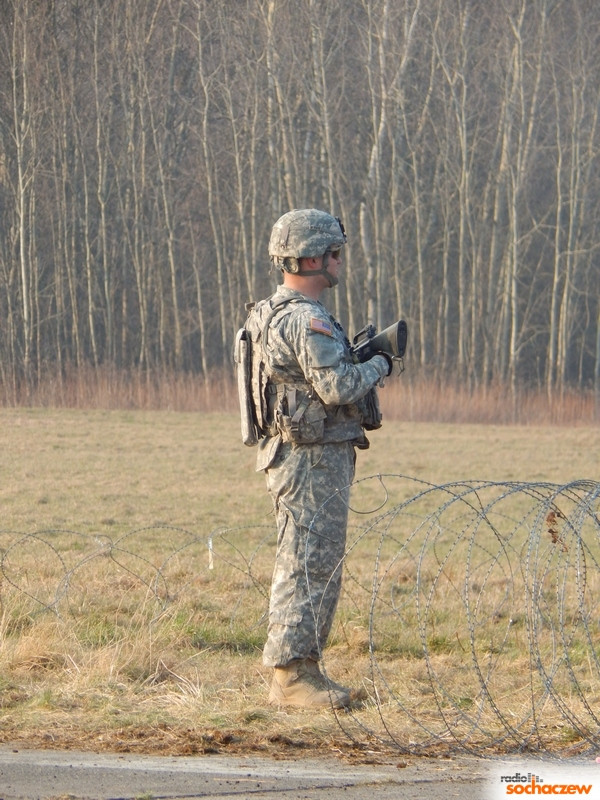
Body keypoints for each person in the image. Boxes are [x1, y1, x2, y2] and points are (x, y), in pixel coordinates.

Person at [246, 208, 392, 709]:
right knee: (309, 562)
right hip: (309, 459)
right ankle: (292, 676)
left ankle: (297, 670)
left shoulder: (273, 312)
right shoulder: (306, 319)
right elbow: (337, 386)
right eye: (332, 253)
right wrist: (381, 362)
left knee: (309, 559)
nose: (338, 261)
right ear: (308, 259)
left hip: (301, 454)